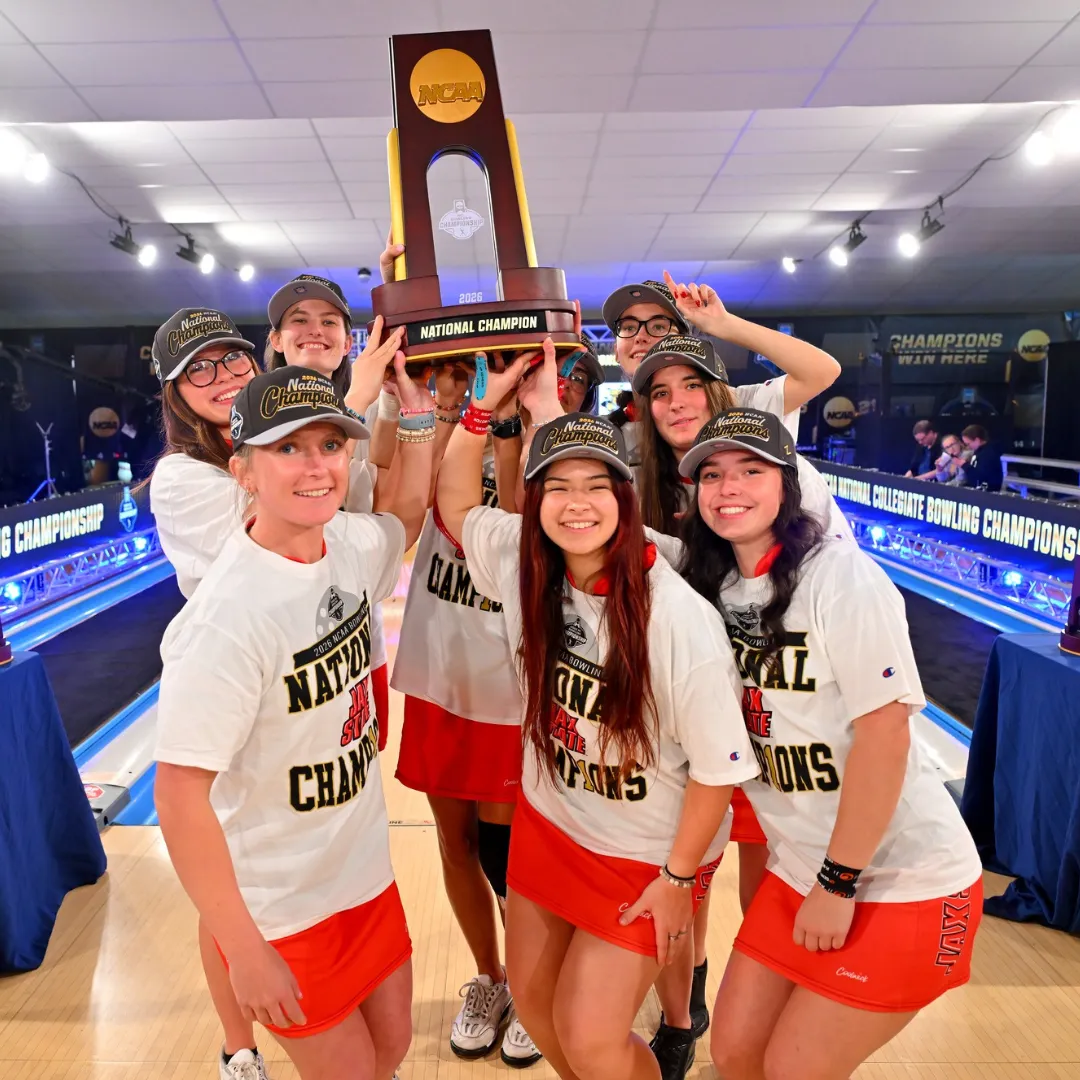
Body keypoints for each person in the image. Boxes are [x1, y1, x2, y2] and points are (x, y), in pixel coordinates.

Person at [435, 343, 758, 1080]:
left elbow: (717, 772)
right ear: (535, 499)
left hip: (644, 857)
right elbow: (455, 502)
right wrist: (484, 410)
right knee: (546, 1022)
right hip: (550, 831)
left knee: (592, 1038)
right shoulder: (526, 564)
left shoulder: (678, 620)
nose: (577, 504)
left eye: (596, 486)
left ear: (625, 499)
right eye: (558, 487)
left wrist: (679, 883)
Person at [674, 407, 984, 1080]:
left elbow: (885, 734)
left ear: (788, 485)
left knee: (793, 1069)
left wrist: (839, 883)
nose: (729, 488)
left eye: (751, 471)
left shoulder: (840, 576)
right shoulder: (712, 586)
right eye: (713, 475)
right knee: (733, 1054)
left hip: (903, 879)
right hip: (800, 869)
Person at [154, 364, 434, 1080]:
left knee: (393, 1049)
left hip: (365, 875)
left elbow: (400, 522)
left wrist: (422, 420)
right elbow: (180, 797)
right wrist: (244, 950)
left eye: (329, 446)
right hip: (283, 908)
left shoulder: (346, 545)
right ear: (243, 469)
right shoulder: (224, 620)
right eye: (288, 449)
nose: (316, 467)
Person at [265, 274, 406, 751]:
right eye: (298, 320)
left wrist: (397, 285)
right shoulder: (256, 419)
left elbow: (380, 482)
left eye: (329, 321)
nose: (315, 330)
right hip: (287, 649)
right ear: (276, 341)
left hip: (351, 640)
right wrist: (360, 398)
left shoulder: (360, 413)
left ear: (349, 342)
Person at [961, 424, 1003, 491]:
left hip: (988, 494)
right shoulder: (978, 451)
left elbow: (980, 476)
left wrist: (964, 465)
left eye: (968, 443)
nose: (968, 447)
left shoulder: (988, 454)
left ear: (977, 440)